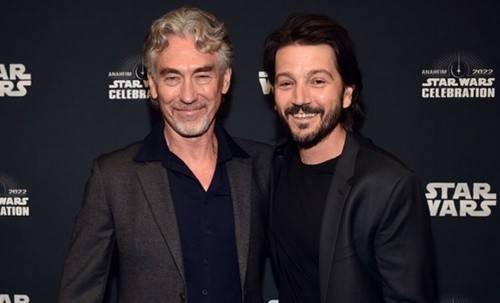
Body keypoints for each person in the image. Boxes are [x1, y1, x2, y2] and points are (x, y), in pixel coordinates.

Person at [58, 7, 272, 303]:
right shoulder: (113, 177)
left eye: (202, 75)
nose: (188, 95)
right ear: (152, 84)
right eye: (172, 78)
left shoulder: (263, 166)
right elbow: (79, 294)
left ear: (224, 80)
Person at [263, 13, 436, 303]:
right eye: (286, 83)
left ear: (347, 94)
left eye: (317, 81)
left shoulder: (388, 185)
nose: (300, 98)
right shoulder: (273, 166)